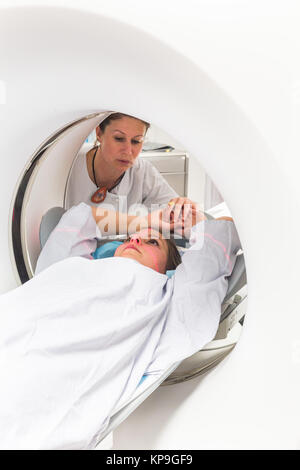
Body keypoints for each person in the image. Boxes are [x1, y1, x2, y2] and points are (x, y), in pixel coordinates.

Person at [0, 203, 240, 450]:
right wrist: (145, 221)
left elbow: (220, 239)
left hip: (28, 393)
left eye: (152, 243)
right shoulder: (68, 266)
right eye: (131, 237)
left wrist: (197, 224)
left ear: (171, 269)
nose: (135, 239)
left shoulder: (168, 306)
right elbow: (78, 219)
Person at [65, 111, 199, 233]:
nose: (128, 151)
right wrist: (144, 222)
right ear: (99, 133)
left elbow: (185, 221)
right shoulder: (68, 166)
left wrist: (182, 208)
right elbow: (72, 219)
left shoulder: (143, 172)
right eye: (119, 138)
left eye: (136, 141)